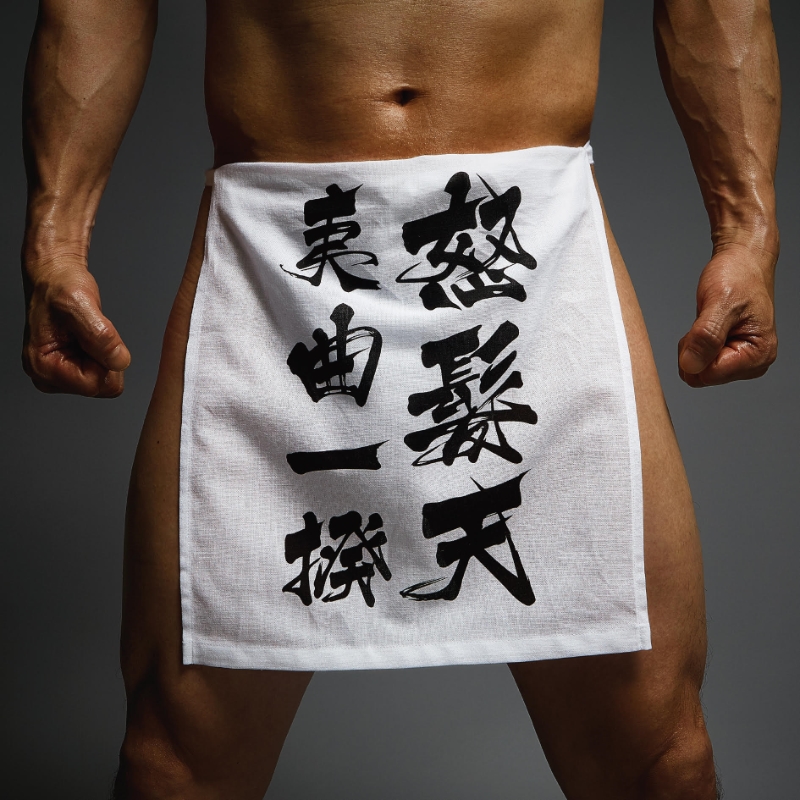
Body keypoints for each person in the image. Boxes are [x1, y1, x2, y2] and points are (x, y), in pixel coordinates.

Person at [20, 0, 780, 797]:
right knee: (171, 765)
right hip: (279, 260)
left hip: (526, 251)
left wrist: (746, 232)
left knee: (662, 762)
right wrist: (54, 240)